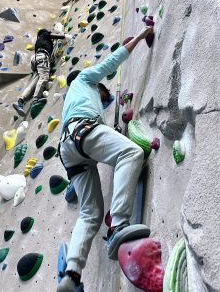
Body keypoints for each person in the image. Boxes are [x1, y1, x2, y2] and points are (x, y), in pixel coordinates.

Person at [57, 26, 154, 292]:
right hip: (83, 132)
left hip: (69, 149)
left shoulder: (71, 103)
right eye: (104, 93)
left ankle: (72, 274)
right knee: (131, 152)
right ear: (97, 85)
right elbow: (112, 62)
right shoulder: (83, 80)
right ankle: (118, 225)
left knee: (89, 213)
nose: (104, 97)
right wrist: (141, 35)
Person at [13, 29, 65, 117]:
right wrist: (60, 33)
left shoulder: (39, 42)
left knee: (36, 79)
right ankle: (35, 100)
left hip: (35, 59)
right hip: (43, 57)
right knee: (44, 78)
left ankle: (21, 100)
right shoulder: (45, 34)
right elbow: (61, 36)